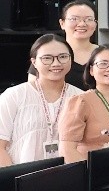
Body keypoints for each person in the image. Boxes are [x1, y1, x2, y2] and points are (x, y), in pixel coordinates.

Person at [0, 35, 81, 165]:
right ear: (34, 62)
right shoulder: (14, 96)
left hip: (68, 174)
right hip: (22, 175)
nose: (56, 63)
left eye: (63, 57)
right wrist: (12, 176)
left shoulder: (80, 97)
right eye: (47, 58)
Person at [58, 0, 97, 90]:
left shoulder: (105, 54)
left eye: (88, 19)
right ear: (62, 23)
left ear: (95, 24)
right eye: (74, 19)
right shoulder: (48, 55)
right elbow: (34, 90)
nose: (82, 24)